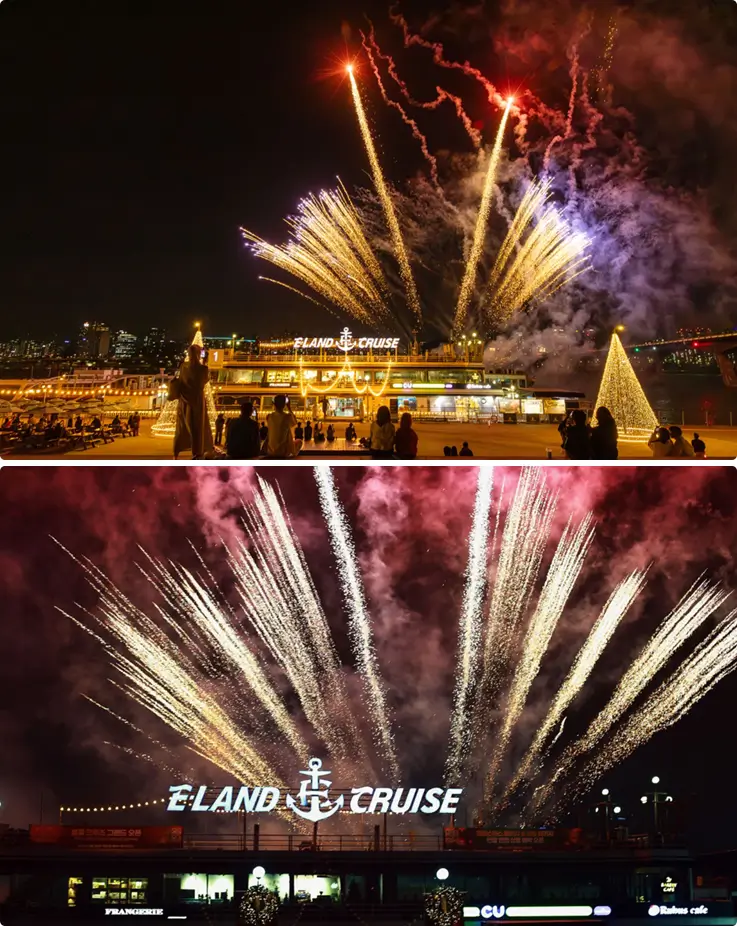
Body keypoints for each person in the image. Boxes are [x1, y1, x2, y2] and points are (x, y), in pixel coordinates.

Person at [173, 345, 214, 460]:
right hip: (197, 400)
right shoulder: (203, 369)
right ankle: (197, 452)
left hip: (184, 400)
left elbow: (181, 381)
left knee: (182, 426)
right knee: (198, 427)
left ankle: (176, 451)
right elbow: (204, 381)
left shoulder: (183, 367)